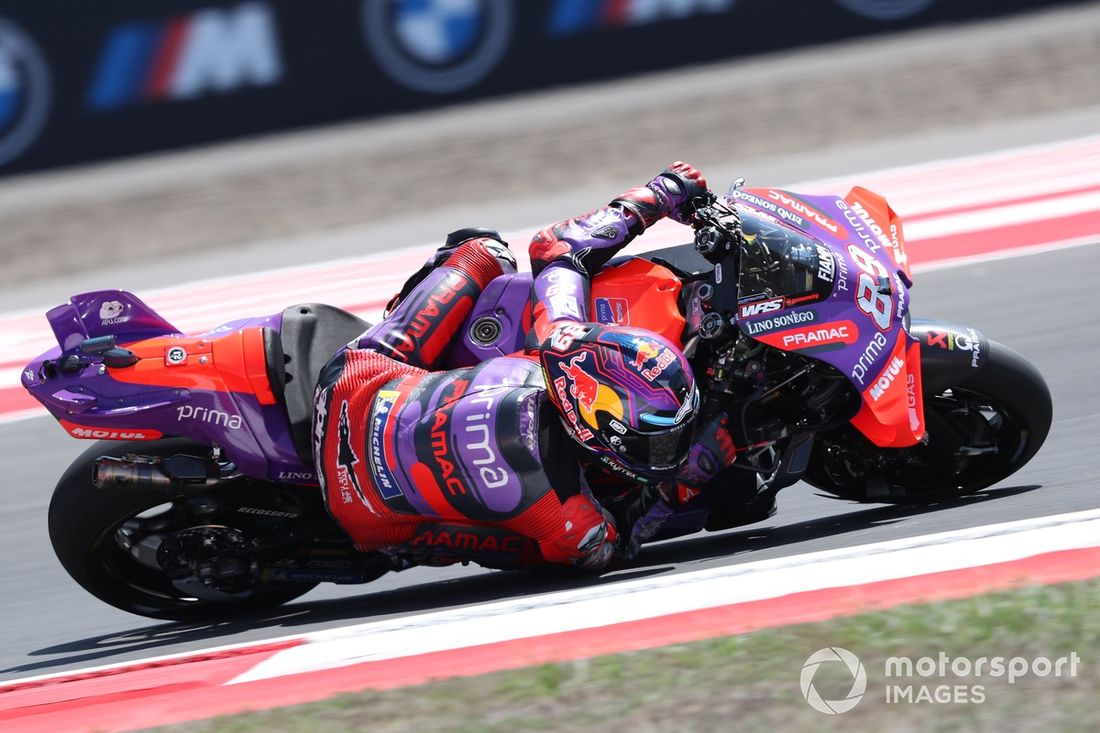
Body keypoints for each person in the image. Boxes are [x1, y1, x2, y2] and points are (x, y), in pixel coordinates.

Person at [312, 162, 738, 570]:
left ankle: (402, 315)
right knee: (545, 550)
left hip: (353, 387)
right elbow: (610, 545)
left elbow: (558, 249)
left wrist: (660, 192)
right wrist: (684, 484)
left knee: (483, 251)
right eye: (657, 442)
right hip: (368, 515)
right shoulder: (567, 508)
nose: (668, 451)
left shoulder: (557, 340)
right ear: (595, 422)